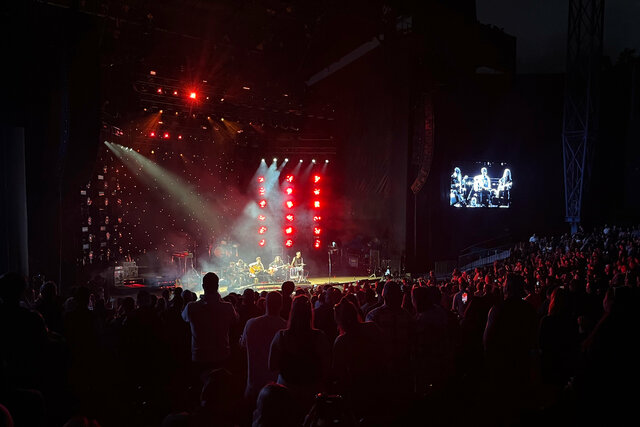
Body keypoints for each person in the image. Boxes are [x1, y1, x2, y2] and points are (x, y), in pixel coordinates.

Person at [268, 295, 331, 416]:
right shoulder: (319, 336)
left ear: (292, 312)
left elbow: (271, 366)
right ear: (309, 313)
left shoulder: (281, 336)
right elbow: (327, 366)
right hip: (313, 389)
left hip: (287, 389)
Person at [182, 272, 238, 372]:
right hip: (222, 354)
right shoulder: (228, 307)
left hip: (200, 356)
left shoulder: (191, 307)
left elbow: (183, 318)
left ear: (203, 286)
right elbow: (235, 321)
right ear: (217, 286)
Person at [240, 292, 287, 400]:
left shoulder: (251, 323)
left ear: (264, 304)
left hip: (254, 383)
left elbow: (243, 345)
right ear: (281, 305)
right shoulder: (285, 327)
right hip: (276, 385)